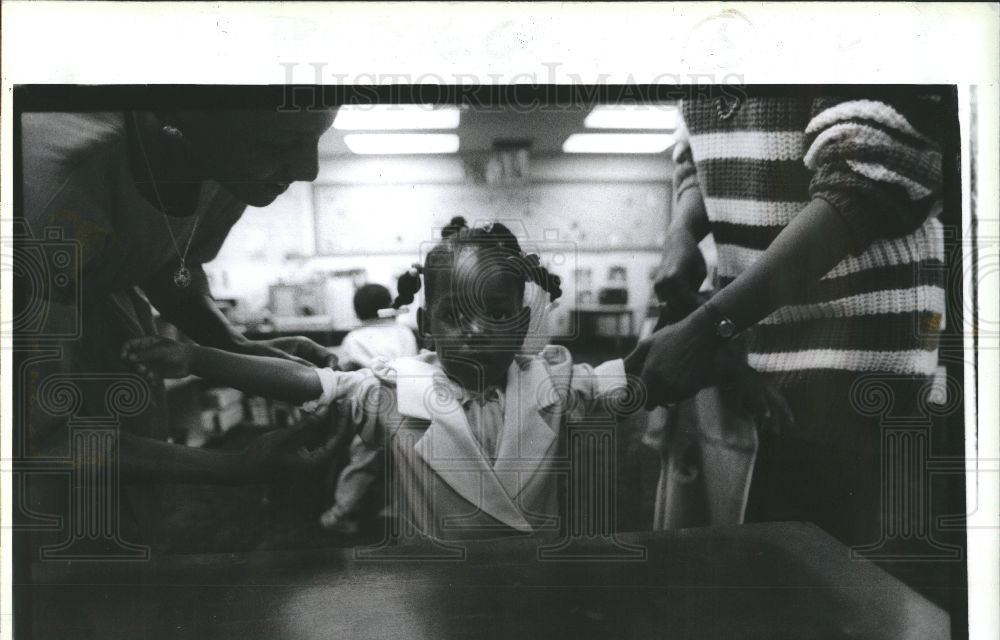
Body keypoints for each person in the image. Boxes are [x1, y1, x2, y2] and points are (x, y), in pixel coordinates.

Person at [123, 223, 645, 544]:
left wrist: (716, 317)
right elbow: (310, 383)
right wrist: (199, 357)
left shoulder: (553, 380)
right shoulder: (395, 391)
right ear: (426, 328)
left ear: (522, 322)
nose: (477, 329)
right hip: (432, 579)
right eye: (455, 314)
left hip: (533, 580)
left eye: (498, 313)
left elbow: (646, 372)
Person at [16, 101, 346, 553]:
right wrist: (236, 466)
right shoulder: (52, 189)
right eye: (281, 143)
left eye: (315, 139)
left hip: (94, 310)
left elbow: (170, 261)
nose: (308, 170)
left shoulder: (226, 161)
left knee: (129, 521)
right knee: (55, 539)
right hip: (30, 318)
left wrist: (237, 347)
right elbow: (43, 442)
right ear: (183, 110)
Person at [636, 89, 947, 564]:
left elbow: (870, 176)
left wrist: (707, 328)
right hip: (753, 358)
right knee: (772, 586)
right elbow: (694, 151)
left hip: (860, 366)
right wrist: (682, 230)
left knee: (860, 597)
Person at [319, 283, 418, 535]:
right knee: (406, 458)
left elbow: (342, 373)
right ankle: (401, 507)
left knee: (364, 458)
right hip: (409, 399)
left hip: (372, 402)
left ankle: (339, 512)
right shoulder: (404, 332)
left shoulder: (353, 338)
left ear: (358, 311)